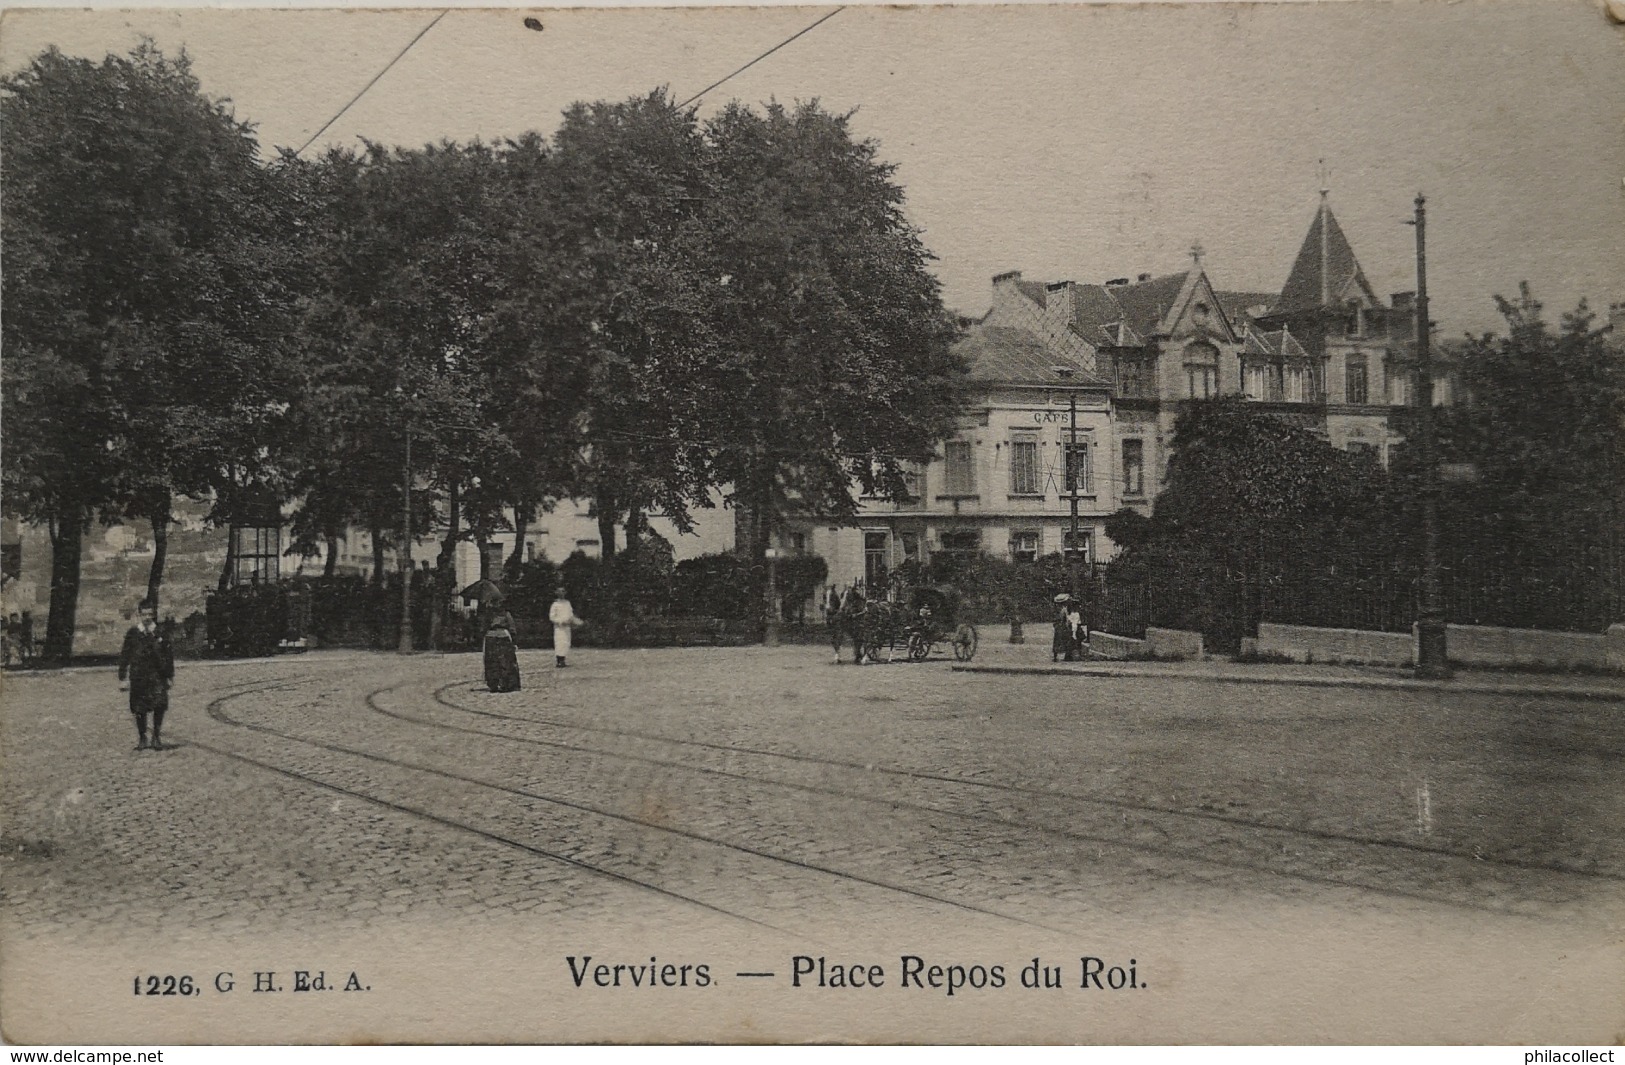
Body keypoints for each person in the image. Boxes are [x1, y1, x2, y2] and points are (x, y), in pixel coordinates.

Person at [118, 599, 175, 751]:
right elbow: (125, 656)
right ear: (139, 614)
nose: (147, 617)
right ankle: (142, 737)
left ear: (153, 614)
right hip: (139, 676)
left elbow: (169, 655)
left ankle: (156, 736)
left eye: (150, 614)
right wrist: (122, 677)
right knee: (139, 708)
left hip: (157, 676)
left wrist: (170, 676)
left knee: (159, 705)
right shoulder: (133, 633)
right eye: (144, 614)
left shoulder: (160, 633)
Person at [482, 596, 521, 693]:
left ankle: (494, 683)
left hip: (491, 638)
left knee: (493, 661)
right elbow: (512, 628)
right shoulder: (506, 614)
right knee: (505, 661)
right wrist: (514, 641)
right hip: (502, 638)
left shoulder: (488, 615)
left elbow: (483, 627)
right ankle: (505, 684)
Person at [548, 586, 582, 668]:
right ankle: (559, 660)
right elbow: (552, 617)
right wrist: (560, 621)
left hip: (567, 627)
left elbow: (570, 614)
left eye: (563, 591)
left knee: (566, 643)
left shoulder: (567, 603)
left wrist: (572, 620)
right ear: (556, 593)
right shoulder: (555, 604)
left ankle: (563, 659)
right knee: (559, 642)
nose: (561, 593)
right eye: (559, 592)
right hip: (559, 627)